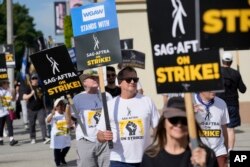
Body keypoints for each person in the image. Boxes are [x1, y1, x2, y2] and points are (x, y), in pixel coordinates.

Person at [97, 66, 160, 167]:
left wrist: (159, 147)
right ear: (119, 83)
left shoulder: (147, 101)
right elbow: (99, 135)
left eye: (135, 79)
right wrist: (104, 136)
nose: (132, 82)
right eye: (128, 79)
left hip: (145, 158)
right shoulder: (110, 105)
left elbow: (158, 128)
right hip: (118, 160)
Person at [141, 97, 218, 167]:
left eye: (184, 120)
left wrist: (202, 165)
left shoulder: (206, 155)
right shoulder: (150, 157)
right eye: (174, 119)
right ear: (164, 122)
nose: (179, 124)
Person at [67, 69, 112, 167]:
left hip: (105, 141)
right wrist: (67, 106)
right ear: (84, 82)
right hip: (86, 140)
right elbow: (70, 122)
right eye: (92, 78)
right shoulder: (78, 98)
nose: (95, 79)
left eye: (96, 77)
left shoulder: (107, 95)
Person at [216, 52, 247, 153]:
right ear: (231, 62)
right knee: (230, 129)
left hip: (219, 105)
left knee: (220, 128)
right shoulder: (236, 73)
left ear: (222, 61)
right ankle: (230, 151)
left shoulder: (217, 72)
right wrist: (237, 77)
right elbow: (243, 90)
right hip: (232, 104)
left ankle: (221, 151)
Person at [194, 91, 229, 167]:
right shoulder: (192, 102)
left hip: (219, 151)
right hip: (199, 152)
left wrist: (226, 149)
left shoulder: (221, 103)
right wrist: (191, 114)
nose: (214, 91)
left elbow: (224, 129)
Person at [22, 73, 49, 144]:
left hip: (40, 108)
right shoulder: (28, 88)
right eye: (33, 79)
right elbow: (24, 97)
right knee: (32, 124)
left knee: (42, 122)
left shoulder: (41, 87)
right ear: (31, 80)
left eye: (35, 78)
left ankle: (44, 137)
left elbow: (44, 96)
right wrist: (31, 94)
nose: (34, 80)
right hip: (31, 109)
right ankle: (33, 138)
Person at [46, 97, 71, 167]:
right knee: (57, 150)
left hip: (65, 135)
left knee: (67, 147)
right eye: (58, 105)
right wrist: (52, 114)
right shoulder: (54, 114)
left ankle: (62, 158)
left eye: (62, 105)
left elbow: (69, 122)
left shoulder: (66, 113)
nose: (60, 106)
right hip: (57, 136)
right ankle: (57, 162)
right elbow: (47, 121)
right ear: (55, 107)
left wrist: (66, 113)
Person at [0, 80, 18, 146]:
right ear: (3, 84)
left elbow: (11, 100)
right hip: (0, 112)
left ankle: (11, 139)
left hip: (8, 111)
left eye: (8, 83)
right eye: (7, 83)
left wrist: (13, 92)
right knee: (1, 126)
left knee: (10, 125)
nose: (8, 84)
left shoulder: (8, 91)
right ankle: (1, 139)